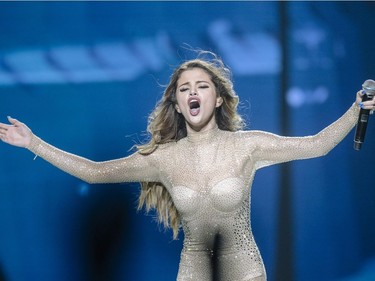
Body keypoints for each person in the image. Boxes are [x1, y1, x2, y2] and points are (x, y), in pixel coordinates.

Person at [0, 52, 374, 281]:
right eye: (184, 88)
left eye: (202, 86)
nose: (192, 92)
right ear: (177, 104)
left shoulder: (248, 146)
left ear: (217, 98)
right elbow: (95, 172)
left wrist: (357, 108)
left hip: (245, 273)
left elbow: (317, 144)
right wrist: (33, 142)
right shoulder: (164, 159)